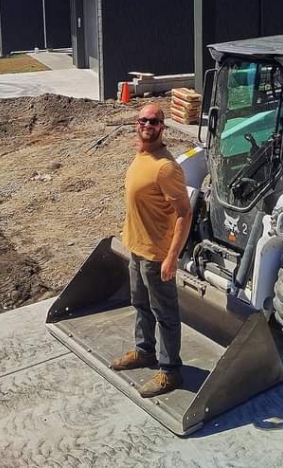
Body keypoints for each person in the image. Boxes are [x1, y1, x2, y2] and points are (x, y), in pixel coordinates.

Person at [110, 103, 193, 398]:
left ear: (162, 127)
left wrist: (172, 257)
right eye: (143, 120)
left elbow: (185, 213)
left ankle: (170, 372)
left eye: (154, 121)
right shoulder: (142, 154)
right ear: (137, 123)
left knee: (165, 314)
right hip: (137, 248)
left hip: (157, 255)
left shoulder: (166, 167)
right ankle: (145, 351)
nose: (148, 125)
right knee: (140, 304)